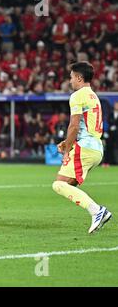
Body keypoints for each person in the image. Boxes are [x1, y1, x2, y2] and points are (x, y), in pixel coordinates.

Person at [52, 61, 112, 234]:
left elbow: (74, 126)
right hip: (96, 149)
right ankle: (97, 212)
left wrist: (67, 149)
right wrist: (67, 142)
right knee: (68, 184)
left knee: (59, 185)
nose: (70, 81)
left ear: (79, 77)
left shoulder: (77, 95)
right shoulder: (93, 95)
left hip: (84, 148)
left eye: (71, 77)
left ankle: (98, 211)